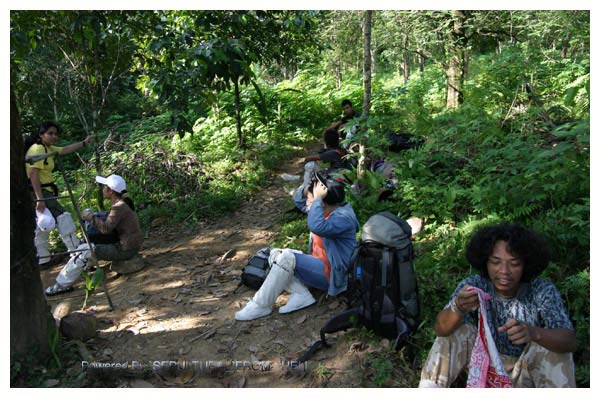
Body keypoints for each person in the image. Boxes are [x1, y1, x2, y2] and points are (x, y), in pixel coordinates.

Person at [419, 223, 576, 388]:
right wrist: (458, 308)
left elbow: (569, 340)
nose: (504, 271)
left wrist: (534, 333)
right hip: (481, 369)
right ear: (485, 262)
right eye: (495, 262)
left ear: (526, 264)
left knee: (553, 350)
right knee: (456, 330)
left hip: (524, 373)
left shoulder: (541, 290)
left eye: (514, 263)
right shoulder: (475, 286)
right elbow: (440, 330)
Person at [236, 171, 360, 321]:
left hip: (334, 273)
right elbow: (299, 201)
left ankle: (261, 305)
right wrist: (310, 186)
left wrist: (317, 199)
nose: (308, 204)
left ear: (322, 203)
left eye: (312, 201)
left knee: (287, 258)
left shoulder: (342, 218)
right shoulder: (325, 210)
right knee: (274, 254)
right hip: (320, 264)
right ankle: (302, 294)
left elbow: (317, 226)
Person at [45, 174, 144, 296]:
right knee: (88, 243)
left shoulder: (119, 207)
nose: (102, 190)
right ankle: (85, 265)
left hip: (125, 249)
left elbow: (106, 229)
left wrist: (90, 217)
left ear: (111, 191)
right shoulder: (122, 204)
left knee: (84, 250)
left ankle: (61, 285)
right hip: (127, 246)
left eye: (104, 187)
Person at [25, 121, 96, 267]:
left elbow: (64, 150)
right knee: (64, 218)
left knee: (41, 224)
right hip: (41, 191)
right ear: (41, 135)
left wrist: (84, 143)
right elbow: (33, 173)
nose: (54, 136)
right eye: (50, 133)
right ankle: (78, 256)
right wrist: (40, 198)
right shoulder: (38, 149)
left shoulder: (46, 147)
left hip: (43, 191)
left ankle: (43, 258)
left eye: (55, 134)